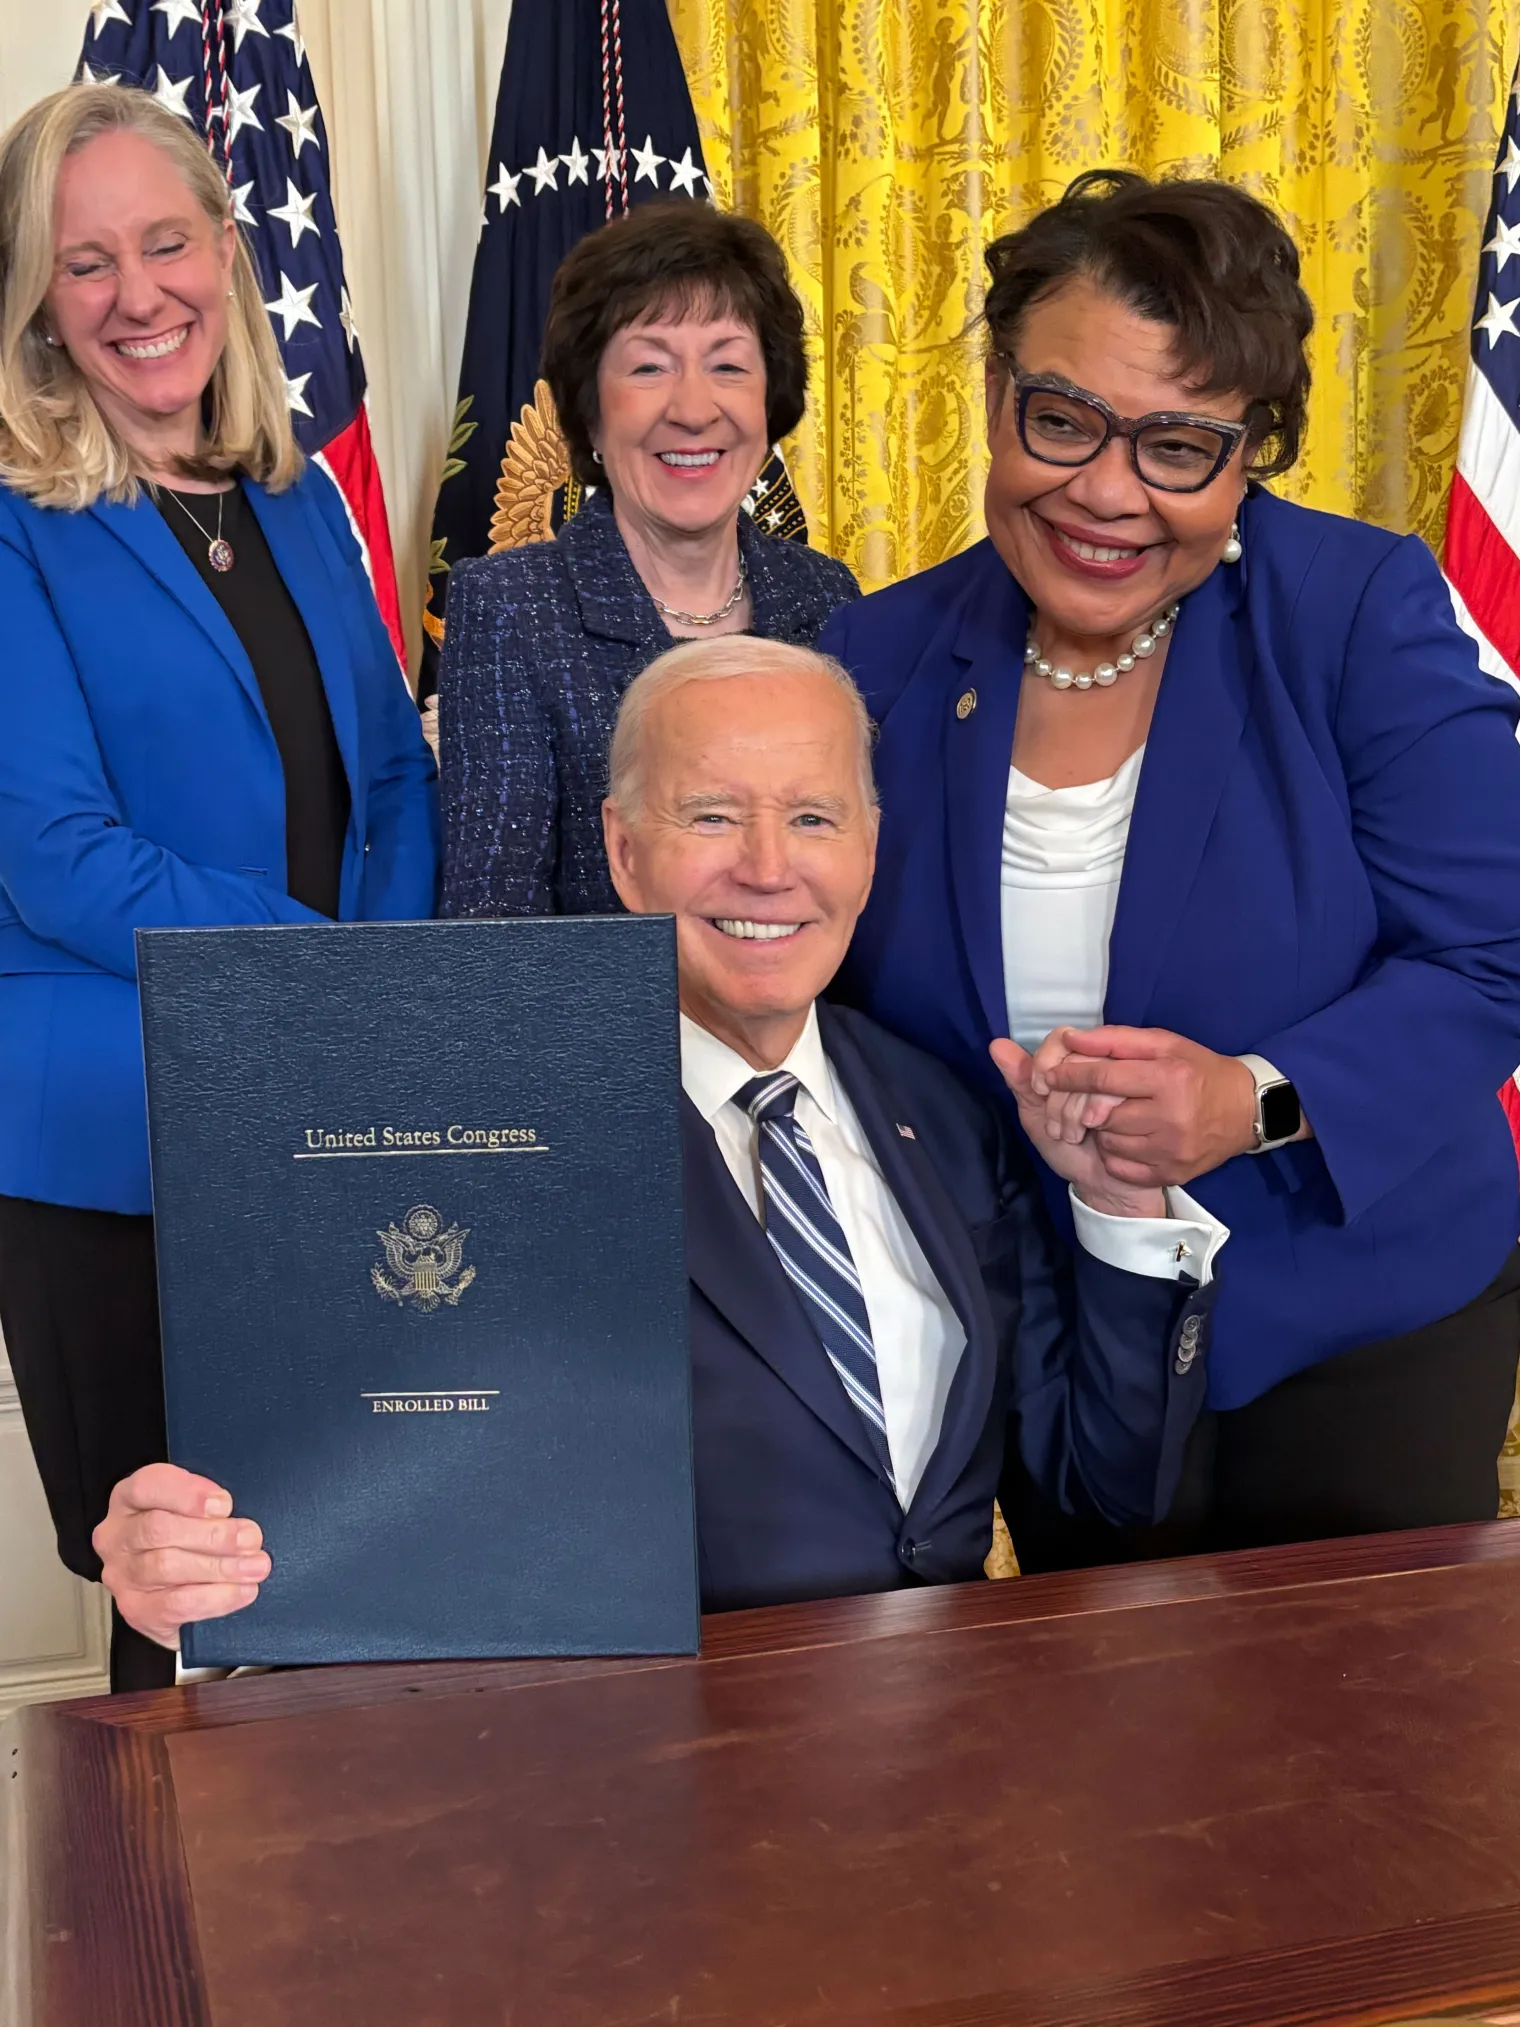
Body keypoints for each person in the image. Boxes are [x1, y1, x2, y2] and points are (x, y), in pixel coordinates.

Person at [97, 638, 1226, 1655]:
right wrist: (189, 1555)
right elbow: (356, 1485)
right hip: (634, 1787)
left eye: (814, 816)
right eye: (712, 815)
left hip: (936, 1767)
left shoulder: (942, 1107)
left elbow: (1100, 1501)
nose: (769, 865)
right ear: (624, 849)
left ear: (871, 848)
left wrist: (1122, 1208)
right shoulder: (476, 1125)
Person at [821, 169, 1520, 1568]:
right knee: (1098, 1756)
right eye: (1064, 417)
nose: (1105, 491)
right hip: (1050, 1338)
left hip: (1359, 1311)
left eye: (1178, 447)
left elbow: (1495, 951)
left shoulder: (1353, 612)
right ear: (1002, 394)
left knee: (1359, 1759)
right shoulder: (875, 660)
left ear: (1250, 452)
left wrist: (1252, 1098)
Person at [0, 86, 438, 1690]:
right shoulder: (10, 528)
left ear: (229, 255)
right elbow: (53, 855)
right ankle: (169, 1946)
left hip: (330, 1106)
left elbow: (393, 775)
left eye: (167, 243)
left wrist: (373, 994)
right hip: (114, 1146)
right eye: (87, 262)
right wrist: (319, 979)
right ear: (38, 303)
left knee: (347, 1558)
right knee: (179, 1608)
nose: (138, 295)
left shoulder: (295, 495)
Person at [439, 200, 858, 918]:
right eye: (649, 367)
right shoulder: (511, 606)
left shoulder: (826, 596)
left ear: (769, 402)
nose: (694, 409)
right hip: (603, 1028)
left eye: (728, 364)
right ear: (591, 412)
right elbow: (496, 936)